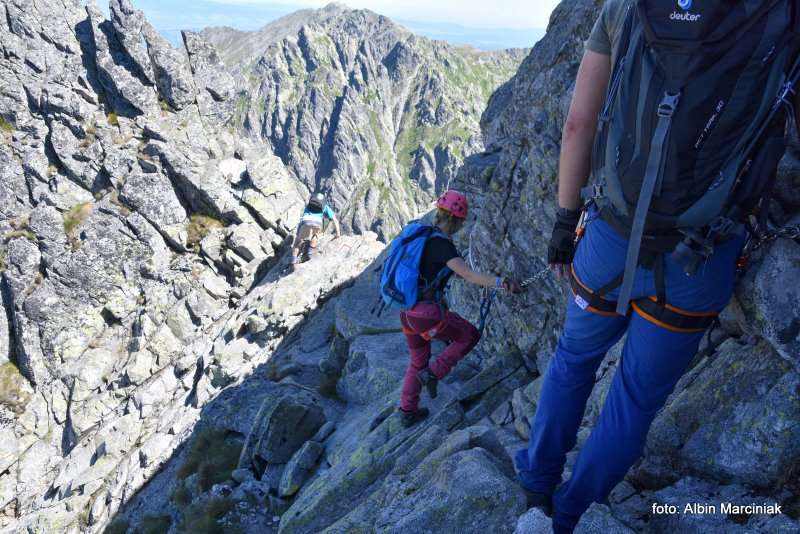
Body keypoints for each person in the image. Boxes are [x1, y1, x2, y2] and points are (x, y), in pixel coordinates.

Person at [514, 1, 800, 532]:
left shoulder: (627, 7)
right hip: (700, 257)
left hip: (608, 242)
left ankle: (536, 485)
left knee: (573, 359)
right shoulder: (780, 15)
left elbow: (579, 123)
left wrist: (564, 224)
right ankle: (573, 513)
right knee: (635, 399)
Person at [398, 190, 523, 427]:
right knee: (469, 335)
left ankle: (407, 410)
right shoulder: (443, 246)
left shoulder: (422, 236)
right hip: (426, 315)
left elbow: (442, 273)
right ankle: (433, 374)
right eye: (461, 222)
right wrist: (501, 283)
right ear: (455, 220)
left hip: (407, 313)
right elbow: (467, 274)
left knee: (417, 360)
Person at [291, 192, 341, 266]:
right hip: (318, 223)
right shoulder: (325, 207)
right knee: (315, 234)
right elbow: (334, 220)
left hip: (306, 221)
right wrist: (338, 234)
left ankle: (293, 260)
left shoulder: (309, 204)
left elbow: (304, 217)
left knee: (297, 241)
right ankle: (310, 251)